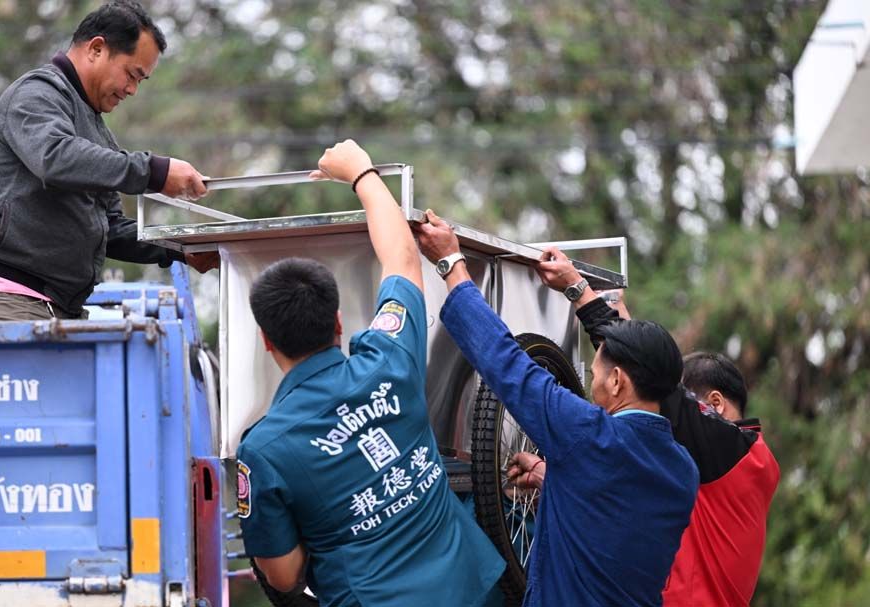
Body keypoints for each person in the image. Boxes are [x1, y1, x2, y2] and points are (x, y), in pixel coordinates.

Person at [237, 141, 505, 606]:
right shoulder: (389, 358)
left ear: (267, 341)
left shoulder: (263, 450)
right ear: (339, 323)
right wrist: (361, 171)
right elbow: (401, 258)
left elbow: (283, 577)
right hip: (472, 590)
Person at [413, 211, 698, 607]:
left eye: (596, 372)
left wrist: (451, 264)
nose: (591, 381)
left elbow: (506, 362)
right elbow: (616, 515)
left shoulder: (589, 435)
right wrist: (555, 475)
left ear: (617, 381)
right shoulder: (682, 468)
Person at [534, 248, 780, 607]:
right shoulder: (720, 471)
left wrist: (579, 290)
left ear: (714, 404)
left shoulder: (738, 456)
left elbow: (656, 388)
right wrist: (556, 479)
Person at [0, 0, 214, 321]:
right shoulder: (35, 94)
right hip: (3, 293)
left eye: (141, 81)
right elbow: (55, 158)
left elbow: (111, 228)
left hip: (55, 305)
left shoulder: (97, 132)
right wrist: (155, 171)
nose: (132, 90)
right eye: (132, 74)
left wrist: (181, 248)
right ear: (97, 49)